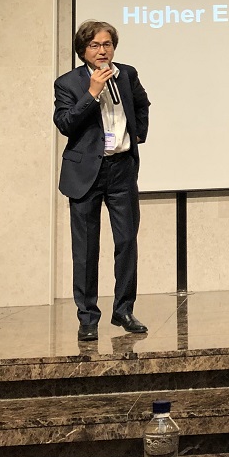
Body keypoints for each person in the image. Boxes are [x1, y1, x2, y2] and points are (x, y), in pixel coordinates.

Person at [53, 19, 151, 341]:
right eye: (94, 45)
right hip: (85, 174)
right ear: (83, 50)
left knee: (126, 242)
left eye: (107, 44)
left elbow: (142, 104)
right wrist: (92, 93)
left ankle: (123, 310)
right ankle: (88, 318)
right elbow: (65, 123)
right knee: (86, 249)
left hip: (122, 169)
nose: (102, 50)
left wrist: (137, 135)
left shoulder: (127, 74)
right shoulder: (67, 83)